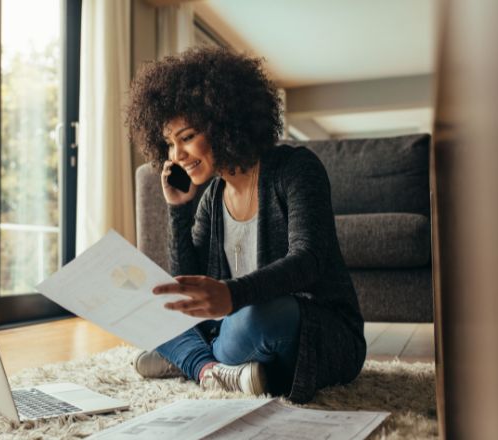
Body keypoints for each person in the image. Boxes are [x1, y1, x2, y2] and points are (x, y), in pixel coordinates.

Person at [125, 46, 365, 403]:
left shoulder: (296, 169)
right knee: (161, 311)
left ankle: (195, 360)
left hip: (312, 332)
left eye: (187, 137)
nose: (176, 155)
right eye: (170, 143)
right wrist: (179, 209)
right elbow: (188, 286)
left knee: (253, 317)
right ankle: (218, 371)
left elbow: (310, 260)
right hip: (239, 331)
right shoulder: (211, 197)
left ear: (225, 121)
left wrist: (232, 296)